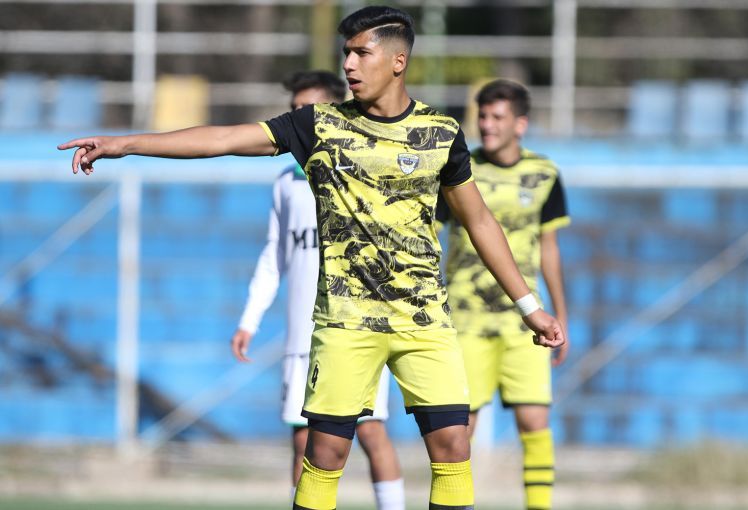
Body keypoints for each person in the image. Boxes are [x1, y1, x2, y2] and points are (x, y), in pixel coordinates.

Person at [58, 6, 566, 510]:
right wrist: (125, 143)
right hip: (346, 323)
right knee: (324, 454)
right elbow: (225, 138)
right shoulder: (319, 124)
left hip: (425, 321)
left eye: (362, 53)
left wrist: (530, 307)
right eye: (346, 53)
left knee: (454, 446)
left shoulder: (441, 132)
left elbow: (480, 222)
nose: (349, 64)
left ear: (398, 61)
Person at [230, 70, 405, 510]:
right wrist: (250, 320)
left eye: (307, 110)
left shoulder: (362, 168)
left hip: (360, 328)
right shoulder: (286, 182)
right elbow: (275, 256)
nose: (298, 118)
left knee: (370, 431)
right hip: (303, 337)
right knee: (303, 440)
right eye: (293, 110)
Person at [437, 79, 570, 510]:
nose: (487, 125)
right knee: (459, 430)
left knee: (535, 421)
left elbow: (549, 248)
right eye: (482, 116)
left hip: (524, 323)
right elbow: (431, 234)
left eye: (497, 117)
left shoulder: (545, 174)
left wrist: (560, 314)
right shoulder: (458, 169)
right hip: (466, 319)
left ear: (520, 124)